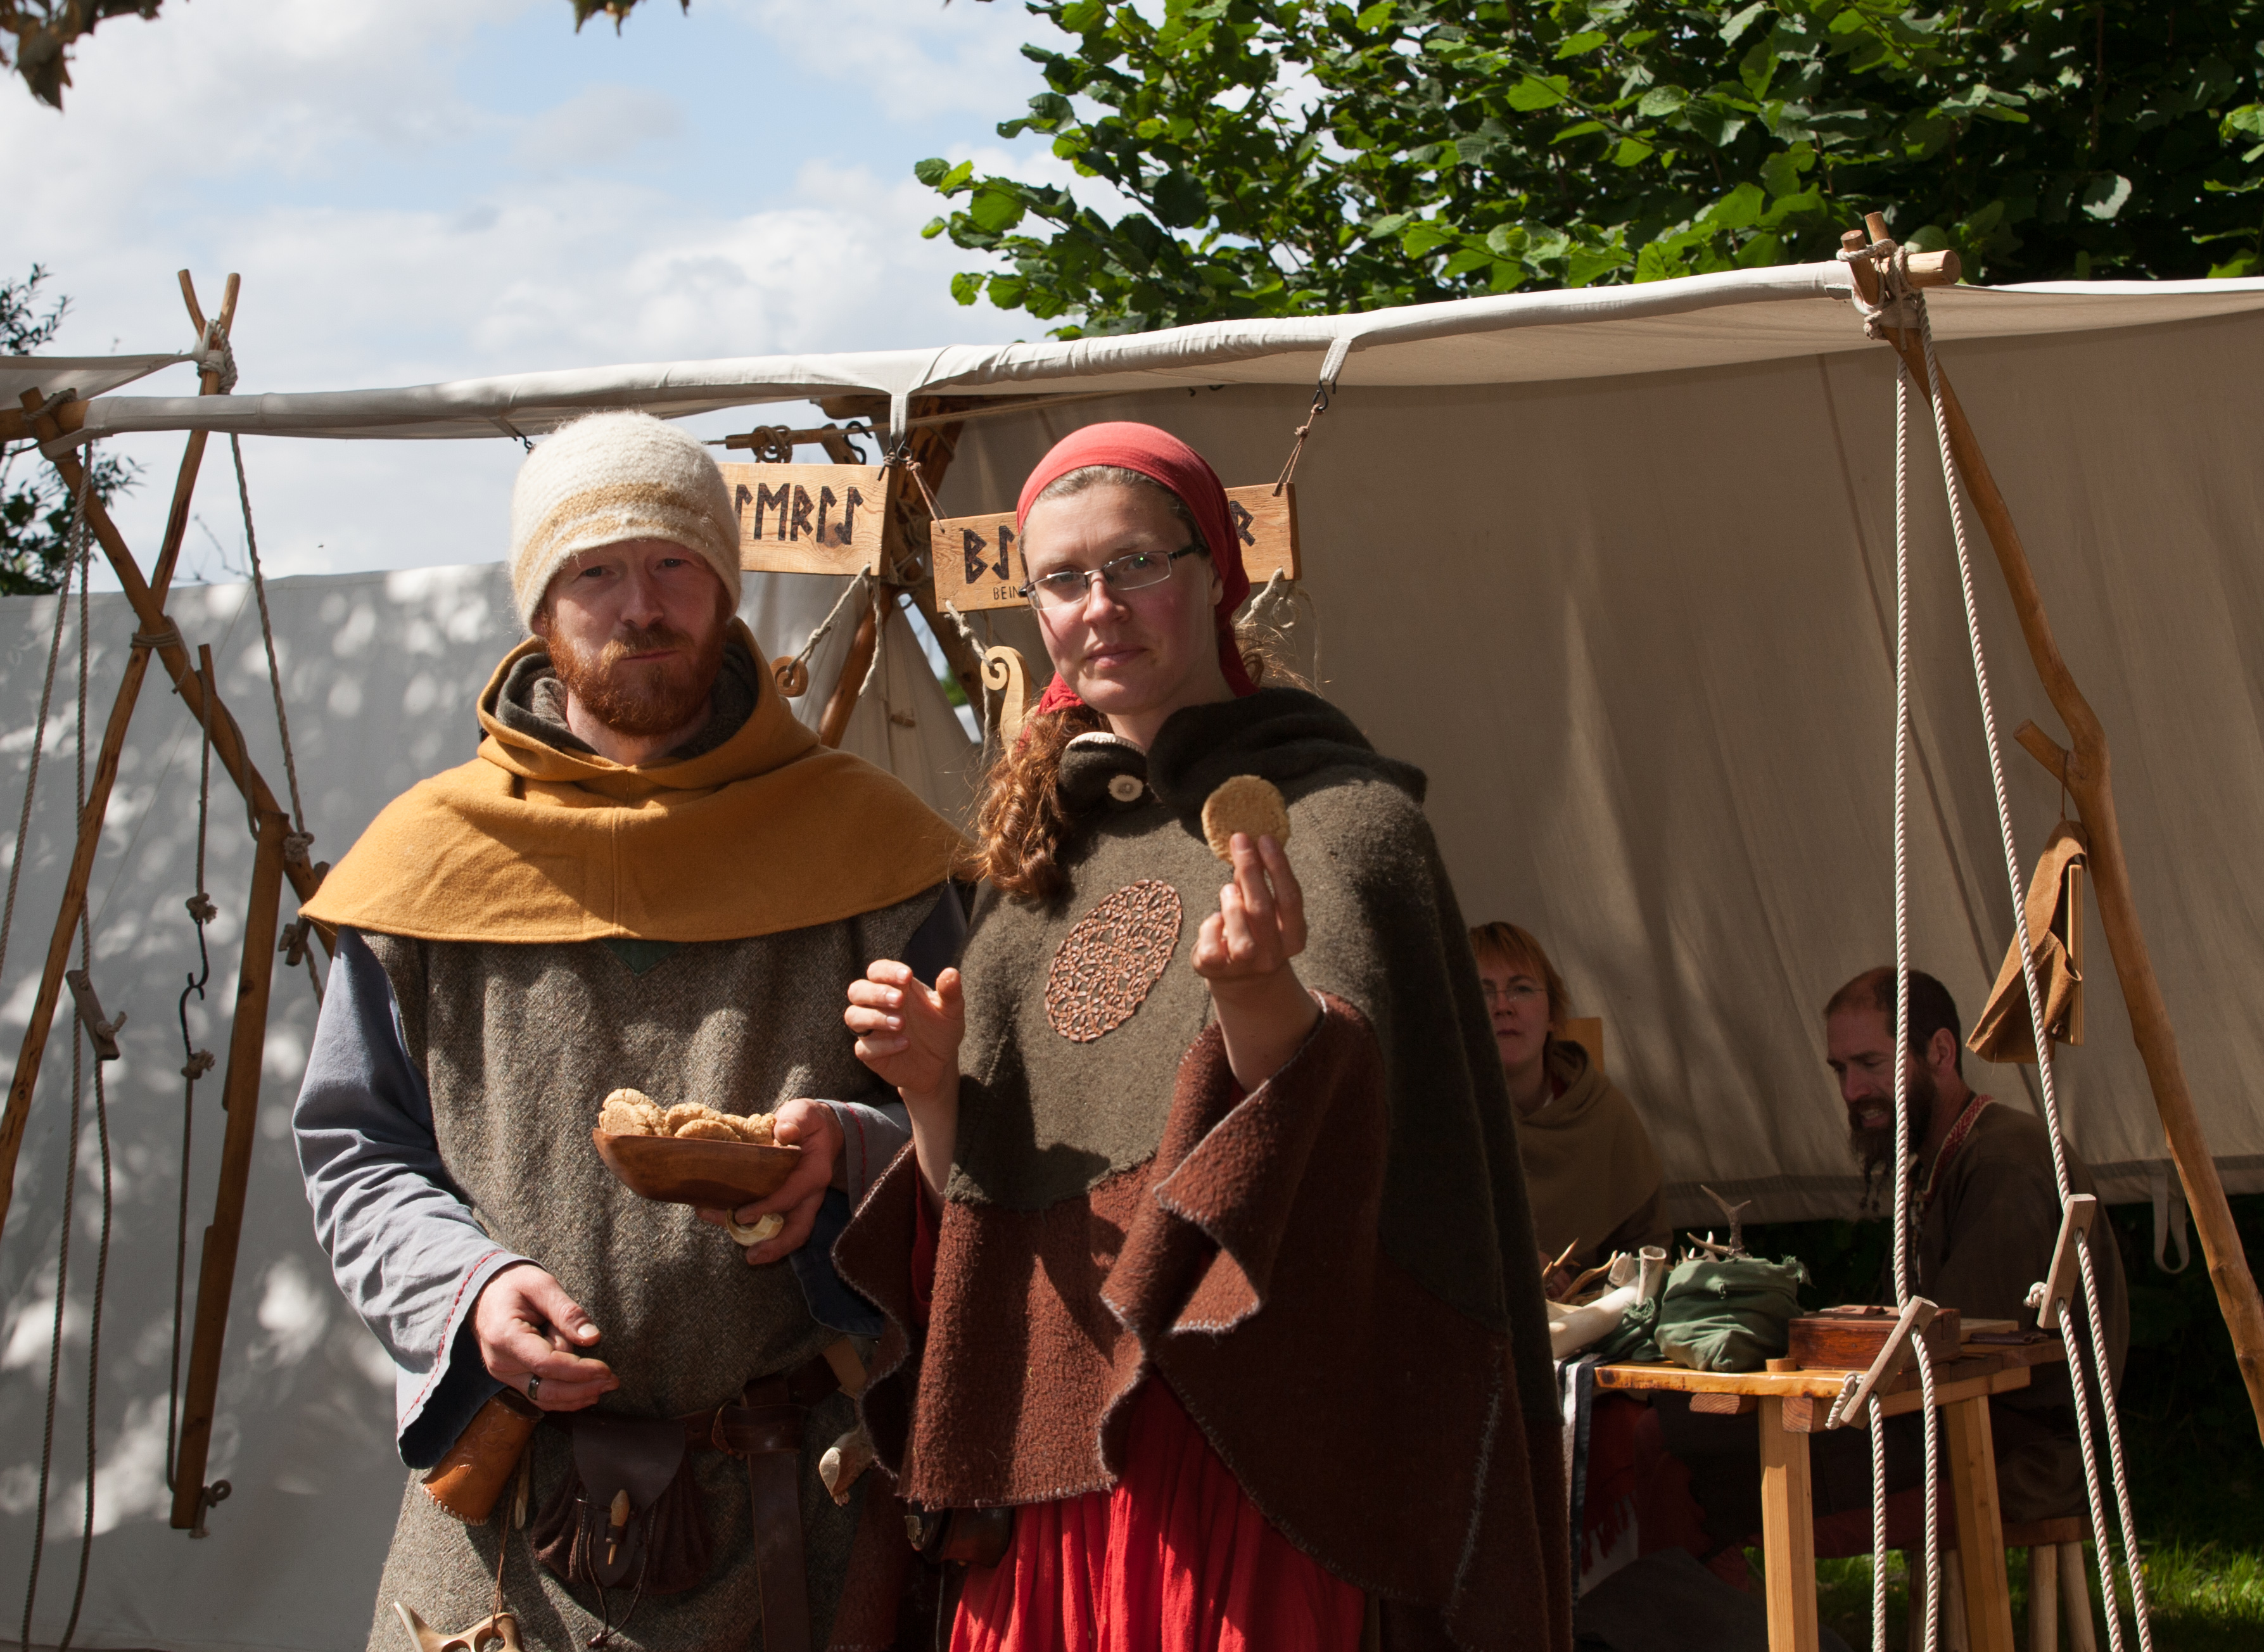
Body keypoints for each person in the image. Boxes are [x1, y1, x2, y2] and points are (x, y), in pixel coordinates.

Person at [830, 421, 1569, 1652]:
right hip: (1056, 1482)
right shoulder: (1034, 864)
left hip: (1249, 1479)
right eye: (1062, 578)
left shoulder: (1347, 825)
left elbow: (1354, 1168)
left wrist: (1257, 999)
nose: (1100, 605)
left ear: (1214, 570)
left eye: (1136, 564)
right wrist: (929, 1089)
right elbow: (986, 1215)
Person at [291, 412, 964, 1652]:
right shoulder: (427, 859)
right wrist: (465, 1288)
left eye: (673, 564)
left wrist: (853, 1153)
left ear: (725, 587)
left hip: (803, 1508)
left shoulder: (870, 845)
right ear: (541, 605)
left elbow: (985, 1125)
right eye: (594, 569)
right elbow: (356, 1150)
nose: (639, 605)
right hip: (505, 1523)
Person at [1823, 964, 2127, 1523]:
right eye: (1841, 1069)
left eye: (1870, 1064)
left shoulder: (2001, 1162)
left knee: (1725, 1471)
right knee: (1694, 1450)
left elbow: (1960, 1351)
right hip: (1959, 1433)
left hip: (2012, 1459)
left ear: (1940, 1052)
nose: (1852, 1091)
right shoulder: (1948, 1158)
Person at [1469, 920, 1667, 1290]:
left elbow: (1649, 1253)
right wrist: (1502, 1260)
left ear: (1553, 1015)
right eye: (1481, 992)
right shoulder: (1433, 1123)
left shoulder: (1602, 1113)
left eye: (1521, 989)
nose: (1502, 1007)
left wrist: (1595, 1302)